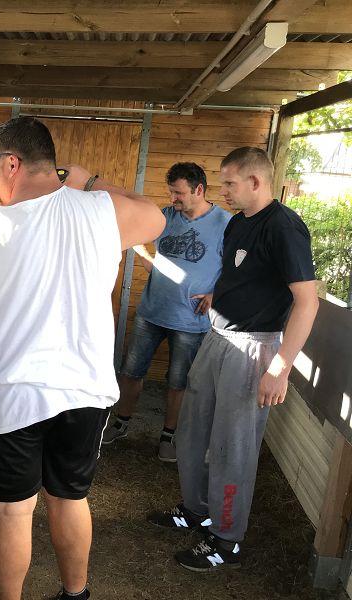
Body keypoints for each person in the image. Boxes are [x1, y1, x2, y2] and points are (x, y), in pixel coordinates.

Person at [0, 116, 165, 600]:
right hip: (84, 393)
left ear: (11, 164)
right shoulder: (100, 210)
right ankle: (76, 595)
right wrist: (89, 180)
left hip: (7, 398)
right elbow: (155, 216)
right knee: (69, 498)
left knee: (12, 511)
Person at [147, 147, 319, 572]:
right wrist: (216, 293)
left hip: (253, 347)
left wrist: (279, 368)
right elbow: (236, 273)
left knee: (232, 447)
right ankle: (197, 510)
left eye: (229, 183)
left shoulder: (284, 227)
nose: (221, 190)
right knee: (192, 431)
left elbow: (307, 302)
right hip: (217, 337)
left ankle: (227, 539)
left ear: (256, 182)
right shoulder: (239, 222)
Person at [102, 163, 231, 462]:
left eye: (179, 193)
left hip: (190, 320)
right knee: (131, 371)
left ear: (199, 190)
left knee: (178, 381)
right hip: (151, 312)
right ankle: (120, 422)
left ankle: (169, 435)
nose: (172, 199)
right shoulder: (165, 216)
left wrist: (216, 294)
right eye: (171, 192)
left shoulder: (225, 224)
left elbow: (235, 269)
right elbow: (136, 237)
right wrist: (147, 259)